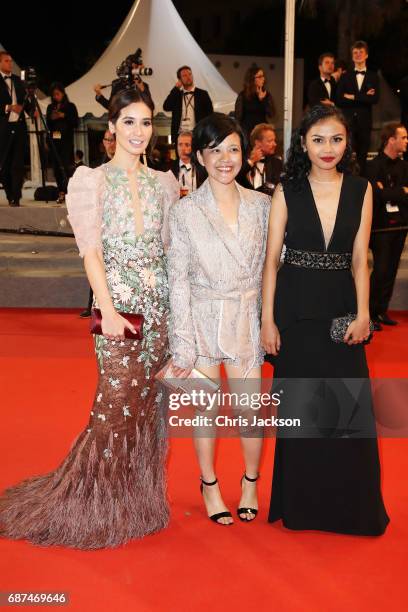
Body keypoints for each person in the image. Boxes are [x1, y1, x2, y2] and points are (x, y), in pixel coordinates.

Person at [0, 88, 179, 549]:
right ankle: (88, 504)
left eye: (146, 123)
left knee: (146, 410)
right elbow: (90, 251)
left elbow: (166, 251)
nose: (139, 132)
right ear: (112, 127)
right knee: (113, 409)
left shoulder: (164, 183)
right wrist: (108, 309)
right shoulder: (90, 180)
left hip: (160, 311)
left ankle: (137, 503)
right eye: (130, 122)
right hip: (117, 311)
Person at [261, 105, 389, 535]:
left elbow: (359, 259)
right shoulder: (287, 189)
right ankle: (303, 506)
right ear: (303, 144)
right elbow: (271, 261)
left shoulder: (360, 189)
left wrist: (365, 313)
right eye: (318, 139)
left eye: (335, 139)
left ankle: (349, 509)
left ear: (347, 142)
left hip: (341, 311)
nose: (327, 148)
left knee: (348, 409)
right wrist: (267, 320)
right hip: (295, 312)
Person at [167, 113, 271, 525]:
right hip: (202, 319)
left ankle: (249, 482)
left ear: (244, 154)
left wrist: (271, 318)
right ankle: (208, 484)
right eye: (215, 150)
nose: (225, 158)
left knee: (249, 411)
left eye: (233, 149)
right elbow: (177, 280)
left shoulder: (263, 205)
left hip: (247, 320)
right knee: (205, 411)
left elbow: (274, 269)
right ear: (201, 157)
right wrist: (183, 342)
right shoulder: (185, 211)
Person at [366, 122, 408, 329]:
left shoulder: (404, 166)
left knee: (391, 270)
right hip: (380, 227)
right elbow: (375, 195)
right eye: (404, 137)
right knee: (381, 270)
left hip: (400, 226)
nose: (406, 141)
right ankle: (369, 313)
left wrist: (388, 192)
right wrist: (401, 191)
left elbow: (387, 194)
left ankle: (381, 311)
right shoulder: (374, 166)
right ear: (391, 140)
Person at [79, 129, 117, 319]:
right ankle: (91, 305)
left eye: (112, 140)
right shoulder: (96, 167)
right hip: (99, 222)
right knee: (95, 262)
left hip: (118, 223)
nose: (110, 144)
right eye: (107, 140)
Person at [336, 41, 379, 176]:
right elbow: (339, 100)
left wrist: (352, 97)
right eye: (355, 52)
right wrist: (363, 97)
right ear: (352, 55)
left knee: (363, 155)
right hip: (348, 122)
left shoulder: (373, 76)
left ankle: (362, 183)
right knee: (346, 153)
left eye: (361, 52)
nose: (358, 55)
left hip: (365, 122)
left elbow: (374, 99)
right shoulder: (345, 76)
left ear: (366, 55)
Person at [0, 51, 33, 207]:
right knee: (5, 163)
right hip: (3, 128)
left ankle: (17, 197)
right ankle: (10, 195)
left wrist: (31, 106)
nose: (10, 64)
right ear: (0, 63)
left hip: (19, 126)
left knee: (18, 163)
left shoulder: (18, 81)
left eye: (11, 61)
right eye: (7, 61)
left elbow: (25, 102)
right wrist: (9, 107)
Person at [46, 82, 79, 204]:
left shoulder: (70, 106)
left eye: (57, 94)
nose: (55, 97)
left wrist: (63, 115)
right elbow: (48, 125)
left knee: (66, 166)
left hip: (66, 141)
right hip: (54, 141)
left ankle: (68, 191)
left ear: (63, 93)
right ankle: (60, 191)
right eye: (53, 95)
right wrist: (52, 118)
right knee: (56, 168)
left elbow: (75, 122)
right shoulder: (50, 107)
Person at [163, 66, 213, 144]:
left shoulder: (203, 94)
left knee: (197, 156)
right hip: (180, 134)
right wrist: (176, 88)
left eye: (190, 74)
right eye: (184, 75)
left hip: (197, 134)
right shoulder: (177, 94)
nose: (188, 77)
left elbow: (210, 115)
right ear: (180, 79)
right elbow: (166, 107)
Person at [234, 65, 275, 141]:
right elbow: (238, 117)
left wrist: (263, 100)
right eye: (260, 77)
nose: (263, 79)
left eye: (263, 76)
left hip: (261, 133)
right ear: (251, 79)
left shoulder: (266, 94)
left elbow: (271, 114)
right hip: (247, 132)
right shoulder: (243, 95)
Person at [244, 123, 283, 193]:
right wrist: (251, 162)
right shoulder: (243, 161)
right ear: (258, 143)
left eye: (274, 140)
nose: (275, 144)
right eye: (270, 141)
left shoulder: (277, 162)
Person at [169, 131, 204, 196]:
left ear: (193, 147)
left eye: (187, 145)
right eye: (180, 145)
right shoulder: (168, 169)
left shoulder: (202, 168)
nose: (183, 149)